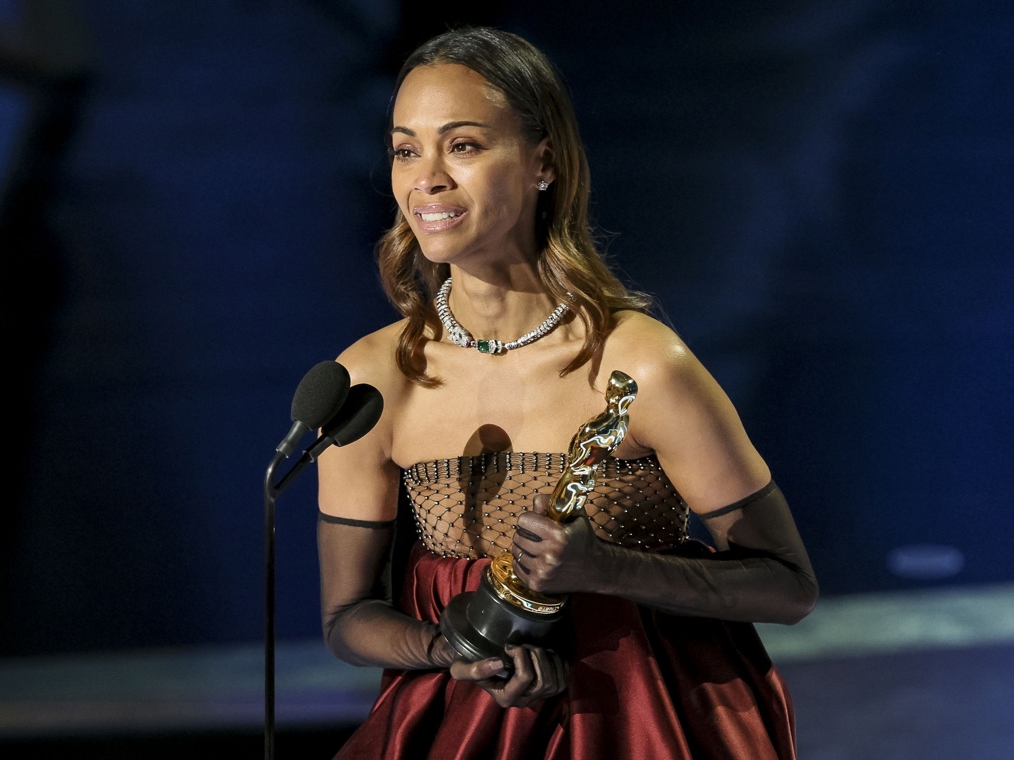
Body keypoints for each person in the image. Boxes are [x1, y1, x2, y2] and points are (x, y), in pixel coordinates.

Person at [316, 26, 818, 760]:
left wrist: (607, 570)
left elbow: (787, 586)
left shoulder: (644, 365)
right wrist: (451, 648)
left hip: (650, 721)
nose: (426, 177)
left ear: (541, 161)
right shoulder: (373, 380)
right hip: (458, 728)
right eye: (404, 149)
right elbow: (347, 618)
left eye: (463, 145)